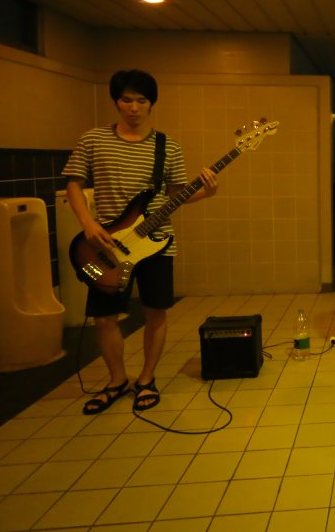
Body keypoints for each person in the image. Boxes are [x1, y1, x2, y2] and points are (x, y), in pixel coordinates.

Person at [63, 69, 219, 415]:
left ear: (151, 104)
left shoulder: (167, 146)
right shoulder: (93, 140)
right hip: (105, 243)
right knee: (104, 317)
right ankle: (117, 379)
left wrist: (206, 193)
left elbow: (176, 195)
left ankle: (146, 378)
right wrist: (88, 223)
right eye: (126, 100)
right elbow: (73, 184)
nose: (133, 107)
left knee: (156, 312)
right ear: (116, 102)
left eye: (141, 101)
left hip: (158, 244)